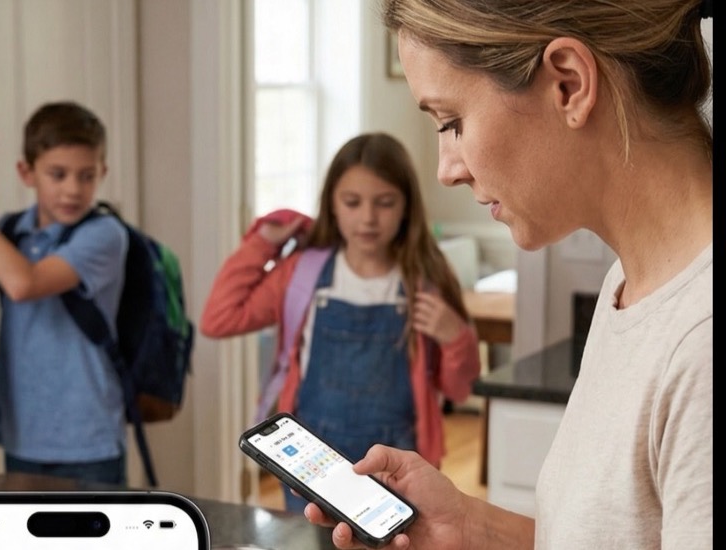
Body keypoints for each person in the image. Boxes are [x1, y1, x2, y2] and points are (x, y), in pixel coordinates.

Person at [305, 0, 713, 548]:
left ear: (568, 84)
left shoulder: (701, 342)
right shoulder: (632, 283)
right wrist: (474, 528)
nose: (446, 170)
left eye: (451, 123)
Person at [201, 132, 482, 512]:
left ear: (406, 207)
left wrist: (456, 338)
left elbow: (459, 388)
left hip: (399, 464)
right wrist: (263, 242)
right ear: (332, 205)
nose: (368, 217)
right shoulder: (303, 273)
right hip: (307, 461)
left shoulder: (425, 277)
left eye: (384, 203)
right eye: (352, 202)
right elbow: (219, 319)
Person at [0, 101, 130, 485]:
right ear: (26, 172)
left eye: (86, 176)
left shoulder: (105, 235)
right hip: (22, 436)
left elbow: (23, 284)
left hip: (88, 441)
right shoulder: (11, 232)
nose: (73, 190)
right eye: (58, 175)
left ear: (102, 174)